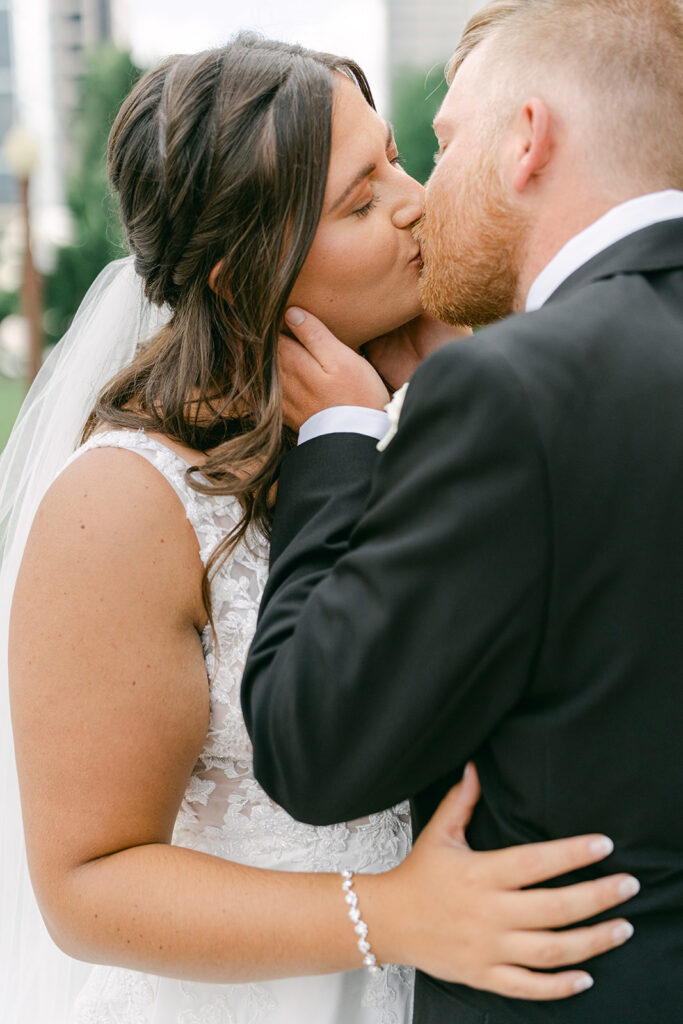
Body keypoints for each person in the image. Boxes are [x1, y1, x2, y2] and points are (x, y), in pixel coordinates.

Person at [1, 31, 636, 1024]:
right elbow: (86, 882)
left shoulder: (429, 419)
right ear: (243, 273)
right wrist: (389, 914)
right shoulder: (125, 500)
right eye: (357, 199)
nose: (413, 197)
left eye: (392, 155)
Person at [240, 2, 683, 1022]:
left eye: (438, 145)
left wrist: (340, 446)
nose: (422, 198)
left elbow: (313, 745)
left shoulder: (510, 392)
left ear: (524, 137)